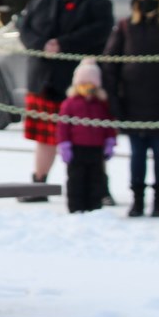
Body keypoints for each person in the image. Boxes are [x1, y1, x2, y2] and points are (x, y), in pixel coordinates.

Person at [16, 0, 114, 202]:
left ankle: (99, 189)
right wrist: (43, 45)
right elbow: (25, 30)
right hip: (44, 82)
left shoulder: (97, 6)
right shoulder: (40, 4)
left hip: (83, 87)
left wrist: (63, 44)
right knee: (44, 138)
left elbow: (99, 31)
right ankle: (38, 184)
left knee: (91, 139)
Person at [101, 0, 159, 217]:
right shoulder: (126, 26)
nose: (148, 0)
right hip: (133, 101)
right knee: (137, 154)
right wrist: (114, 97)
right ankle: (137, 198)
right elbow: (110, 63)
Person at [56, 58, 118, 213]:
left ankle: (94, 207)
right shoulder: (69, 104)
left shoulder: (101, 104)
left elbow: (108, 124)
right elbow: (63, 127)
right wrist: (64, 144)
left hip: (96, 149)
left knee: (96, 179)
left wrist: (110, 141)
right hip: (77, 148)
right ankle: (75, 208)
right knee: (76, 180)